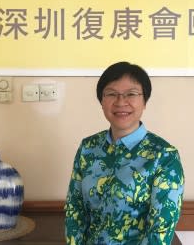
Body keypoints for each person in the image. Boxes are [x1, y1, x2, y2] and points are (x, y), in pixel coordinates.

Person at [64, 61, 184, 245]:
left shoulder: (164, 156)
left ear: (144, 101)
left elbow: (160, 231)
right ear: (102, 101)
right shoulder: (88, 148)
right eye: (112, 94)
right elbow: (75, 210)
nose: (121, 102)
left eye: (131, 94)